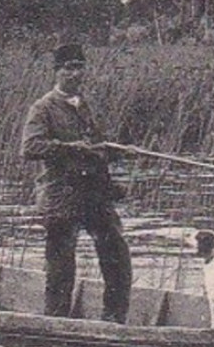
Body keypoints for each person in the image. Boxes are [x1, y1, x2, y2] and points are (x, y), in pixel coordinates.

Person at [21, 42, 132, 322]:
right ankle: (57, 324)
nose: (76, 74)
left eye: (80, 67)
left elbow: (95, 147)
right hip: (61, 197)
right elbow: (30, 148)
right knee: (61, 268)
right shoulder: (43, 107)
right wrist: (72, 148)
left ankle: (115, 320)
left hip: (93, 193)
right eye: (69, 68)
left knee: (116, 254)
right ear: (57, 72)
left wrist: (110, 151)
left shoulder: (84, 105)